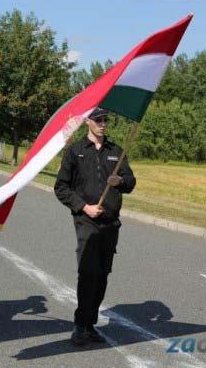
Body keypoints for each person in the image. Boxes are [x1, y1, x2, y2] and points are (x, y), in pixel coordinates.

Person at [54, 107, 136, 346]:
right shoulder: (75, 151)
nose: (103, 123)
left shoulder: (116, 151)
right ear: (88, 121)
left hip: (110, 224)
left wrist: (120, 180)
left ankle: (90, 325)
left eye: (105, 120)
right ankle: (80, 325)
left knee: (102, 275)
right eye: (98, 119)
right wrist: (84, 207)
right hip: (86, 221)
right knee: (88, 273)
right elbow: (61, 188)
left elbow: (131, 182)